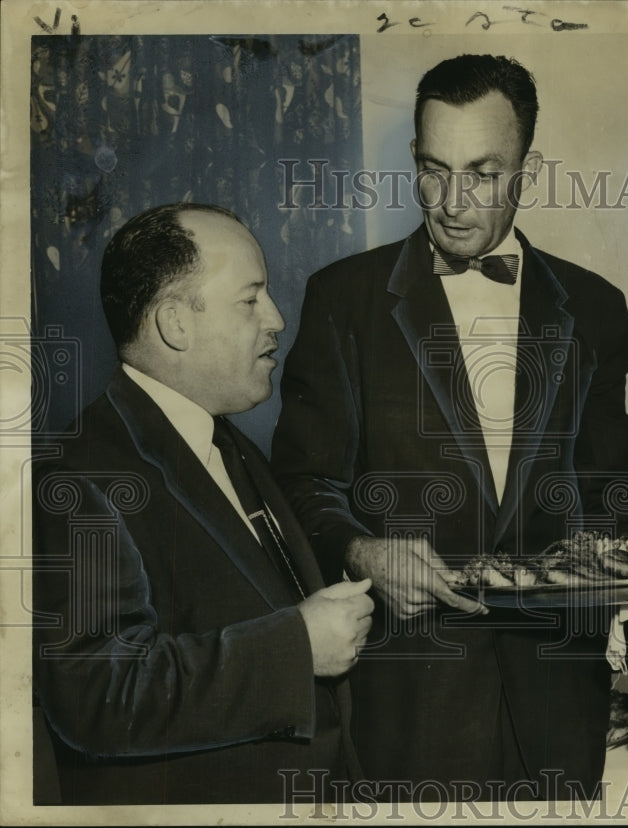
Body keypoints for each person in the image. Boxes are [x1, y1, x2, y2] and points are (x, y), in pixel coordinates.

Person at [271, 54, 628, 801]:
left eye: (482, 172)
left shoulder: (597, 308)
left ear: (527, 171)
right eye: (432, 168)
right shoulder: (342, 301)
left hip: (560, 705)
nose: (450, 202)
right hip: (403, 707)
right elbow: (300, 484)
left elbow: (610, 492)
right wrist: (362, 551)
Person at [32, 203, 375, 805]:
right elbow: (96, 693)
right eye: (251, 300)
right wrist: (296, 648)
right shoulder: (79, 477)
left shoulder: (228, 442)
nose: (276, 319)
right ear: (175, 324)